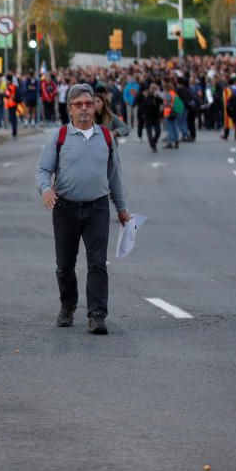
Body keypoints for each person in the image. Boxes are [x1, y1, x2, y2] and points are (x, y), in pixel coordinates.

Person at [36, 83, 130, 335]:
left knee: (97, 263)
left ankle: (97, 314)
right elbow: (44, 170)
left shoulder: (106, 137)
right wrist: (45, 189)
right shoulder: (59, 137)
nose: (85, 109)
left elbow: (114, 176)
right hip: (65, 208)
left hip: (97, 208)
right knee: (65, 264)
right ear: (70, 110)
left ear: (95, 107)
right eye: (79, 105)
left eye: (89, 104)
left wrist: (122, 208)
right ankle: (67, 306)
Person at [139, 84, 164, 152]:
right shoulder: (146, 95)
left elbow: (162, 102)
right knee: (149, 133)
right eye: (152, 88)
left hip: (156, 117)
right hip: (148, 117)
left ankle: (154, 141)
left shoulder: (157, 96)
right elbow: (142, 105)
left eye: (154, 88)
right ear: (149, 88)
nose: (153, 90)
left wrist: (156, 97)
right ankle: (153, 145)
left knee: (158, 132)